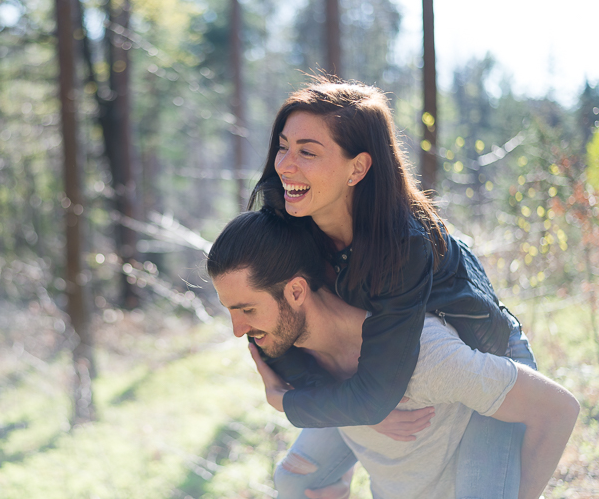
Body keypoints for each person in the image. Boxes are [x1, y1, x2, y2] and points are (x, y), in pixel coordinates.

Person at [246, 77, 540, 496]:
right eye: (283, 146)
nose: (285, 164)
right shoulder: (285, 218)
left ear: (358, 168)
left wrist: (294, 402)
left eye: (307, 152)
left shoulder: (405, 243)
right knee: (299, 480)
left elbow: (377, 394)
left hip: (487, 362)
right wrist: (358, 410)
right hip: (389, 372)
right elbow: (266, 325)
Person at [206, 209, 579, 499]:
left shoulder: (429, 358)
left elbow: (559, 409)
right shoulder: (286, 347)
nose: (238, 330)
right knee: (295, 481)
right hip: (403, 468)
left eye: (247, 310)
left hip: (476, 426)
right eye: (230, 311)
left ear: (297, 292)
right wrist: (354, 413)